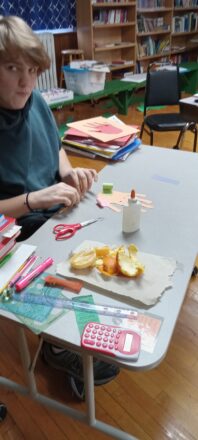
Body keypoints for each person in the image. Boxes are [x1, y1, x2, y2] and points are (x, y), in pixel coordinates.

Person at [0, 15, 120, 399]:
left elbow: (55, 145)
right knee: (65, 268)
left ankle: (78, 333)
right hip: (17, 231)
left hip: (50, 211)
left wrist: (67, 175)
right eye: (13, 68)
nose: (26, 81)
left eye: (33, 70)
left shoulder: (35, 101)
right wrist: (37, 198)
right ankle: (57, 346)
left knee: (100, 243)